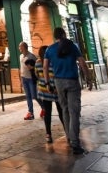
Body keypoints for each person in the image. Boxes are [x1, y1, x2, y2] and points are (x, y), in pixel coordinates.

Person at [43, 27, 90, 155]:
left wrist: (47, 83)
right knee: (74, 112)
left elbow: (45, 66)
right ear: (64, 34)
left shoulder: (49, 49)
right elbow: (82, 63)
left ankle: (69, 137)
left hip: (58, 82)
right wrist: (88, 78)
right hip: (72, 81)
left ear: (54, 36)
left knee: (65, 109)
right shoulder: (72, 46)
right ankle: (75, 143)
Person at [36, 45, 64, 144]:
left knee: (47, 113)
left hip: (44, 90)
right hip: (55, 89)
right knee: (61, 111)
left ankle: (48, 134)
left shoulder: (38, 62)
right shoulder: (53, 62)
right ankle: (67, 131)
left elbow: (37, 75)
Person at [18, 41, 39, 120]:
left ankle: (44, 108)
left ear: (24, 47)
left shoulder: (31, 56)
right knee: (28, 96)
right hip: (24, 78)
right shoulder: (20, 56)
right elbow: (21, 68)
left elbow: (37, 66)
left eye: (20, 47)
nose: (19, 48)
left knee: (34, 95)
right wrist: (20, 79)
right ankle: (30, 113)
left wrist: (32, 68)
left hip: (30, 78)